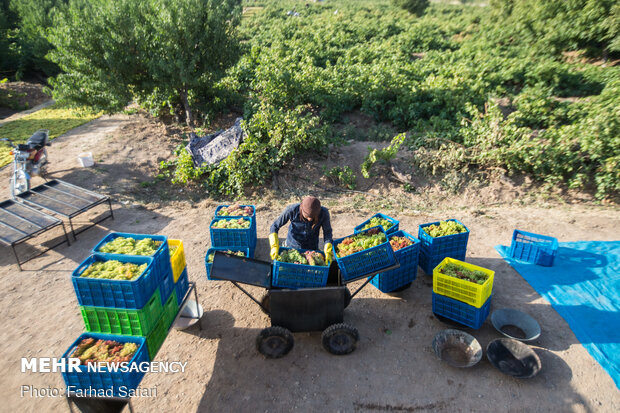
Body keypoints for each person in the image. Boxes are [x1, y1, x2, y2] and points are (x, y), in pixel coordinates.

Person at [269, 196, 334, 263]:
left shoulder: (324, 213)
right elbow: (274, 226)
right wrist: (274, 246)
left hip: (311, 248)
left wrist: (328, 246)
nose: (310, 219)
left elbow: (327, 232)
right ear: (302, 209)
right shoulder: (292, 210)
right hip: (291, 246)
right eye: (307, 216)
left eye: (313, 217)